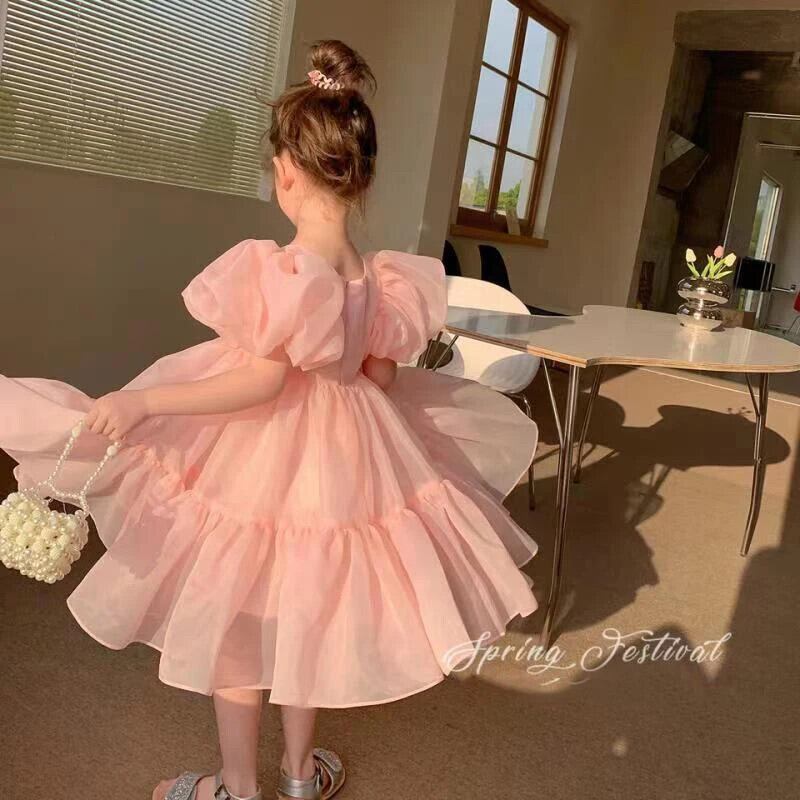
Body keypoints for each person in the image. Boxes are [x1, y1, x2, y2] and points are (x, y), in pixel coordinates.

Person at [0, 40, 539, 800]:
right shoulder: (377, 275)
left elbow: (260, 381)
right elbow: (382, 375)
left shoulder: (285, 268)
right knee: (307, 615)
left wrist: (145, 401)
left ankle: (237, 787)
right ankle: (297, 778)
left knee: (239, 623)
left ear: (287, 172)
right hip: (349, 450)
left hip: (267, 453)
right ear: (360, 177)